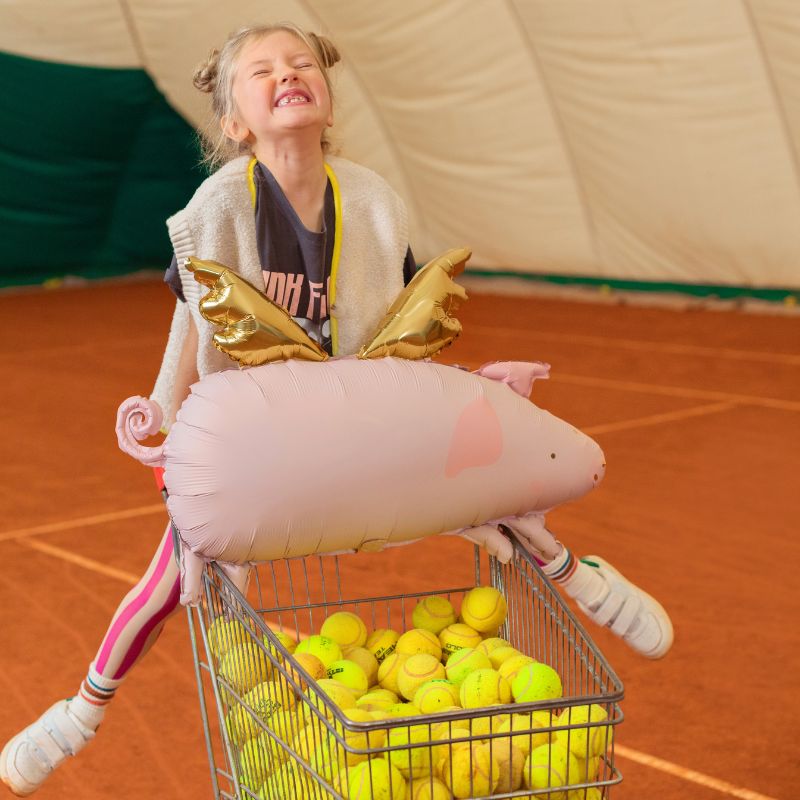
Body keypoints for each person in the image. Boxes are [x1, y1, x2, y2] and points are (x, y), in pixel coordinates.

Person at [0, 21, 672, 797]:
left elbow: (399, 339)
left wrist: (472, 388)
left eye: (301, 63)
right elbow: (193, 322)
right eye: (262, 71)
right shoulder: (219, 205)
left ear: (325, 93)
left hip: (356, 428)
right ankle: (81, 710)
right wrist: (160, 419)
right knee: (179, 571)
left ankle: (583, 579)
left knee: (496, 490)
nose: (288, 73)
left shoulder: (375, 201)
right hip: (269, 445)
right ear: (234, 121)